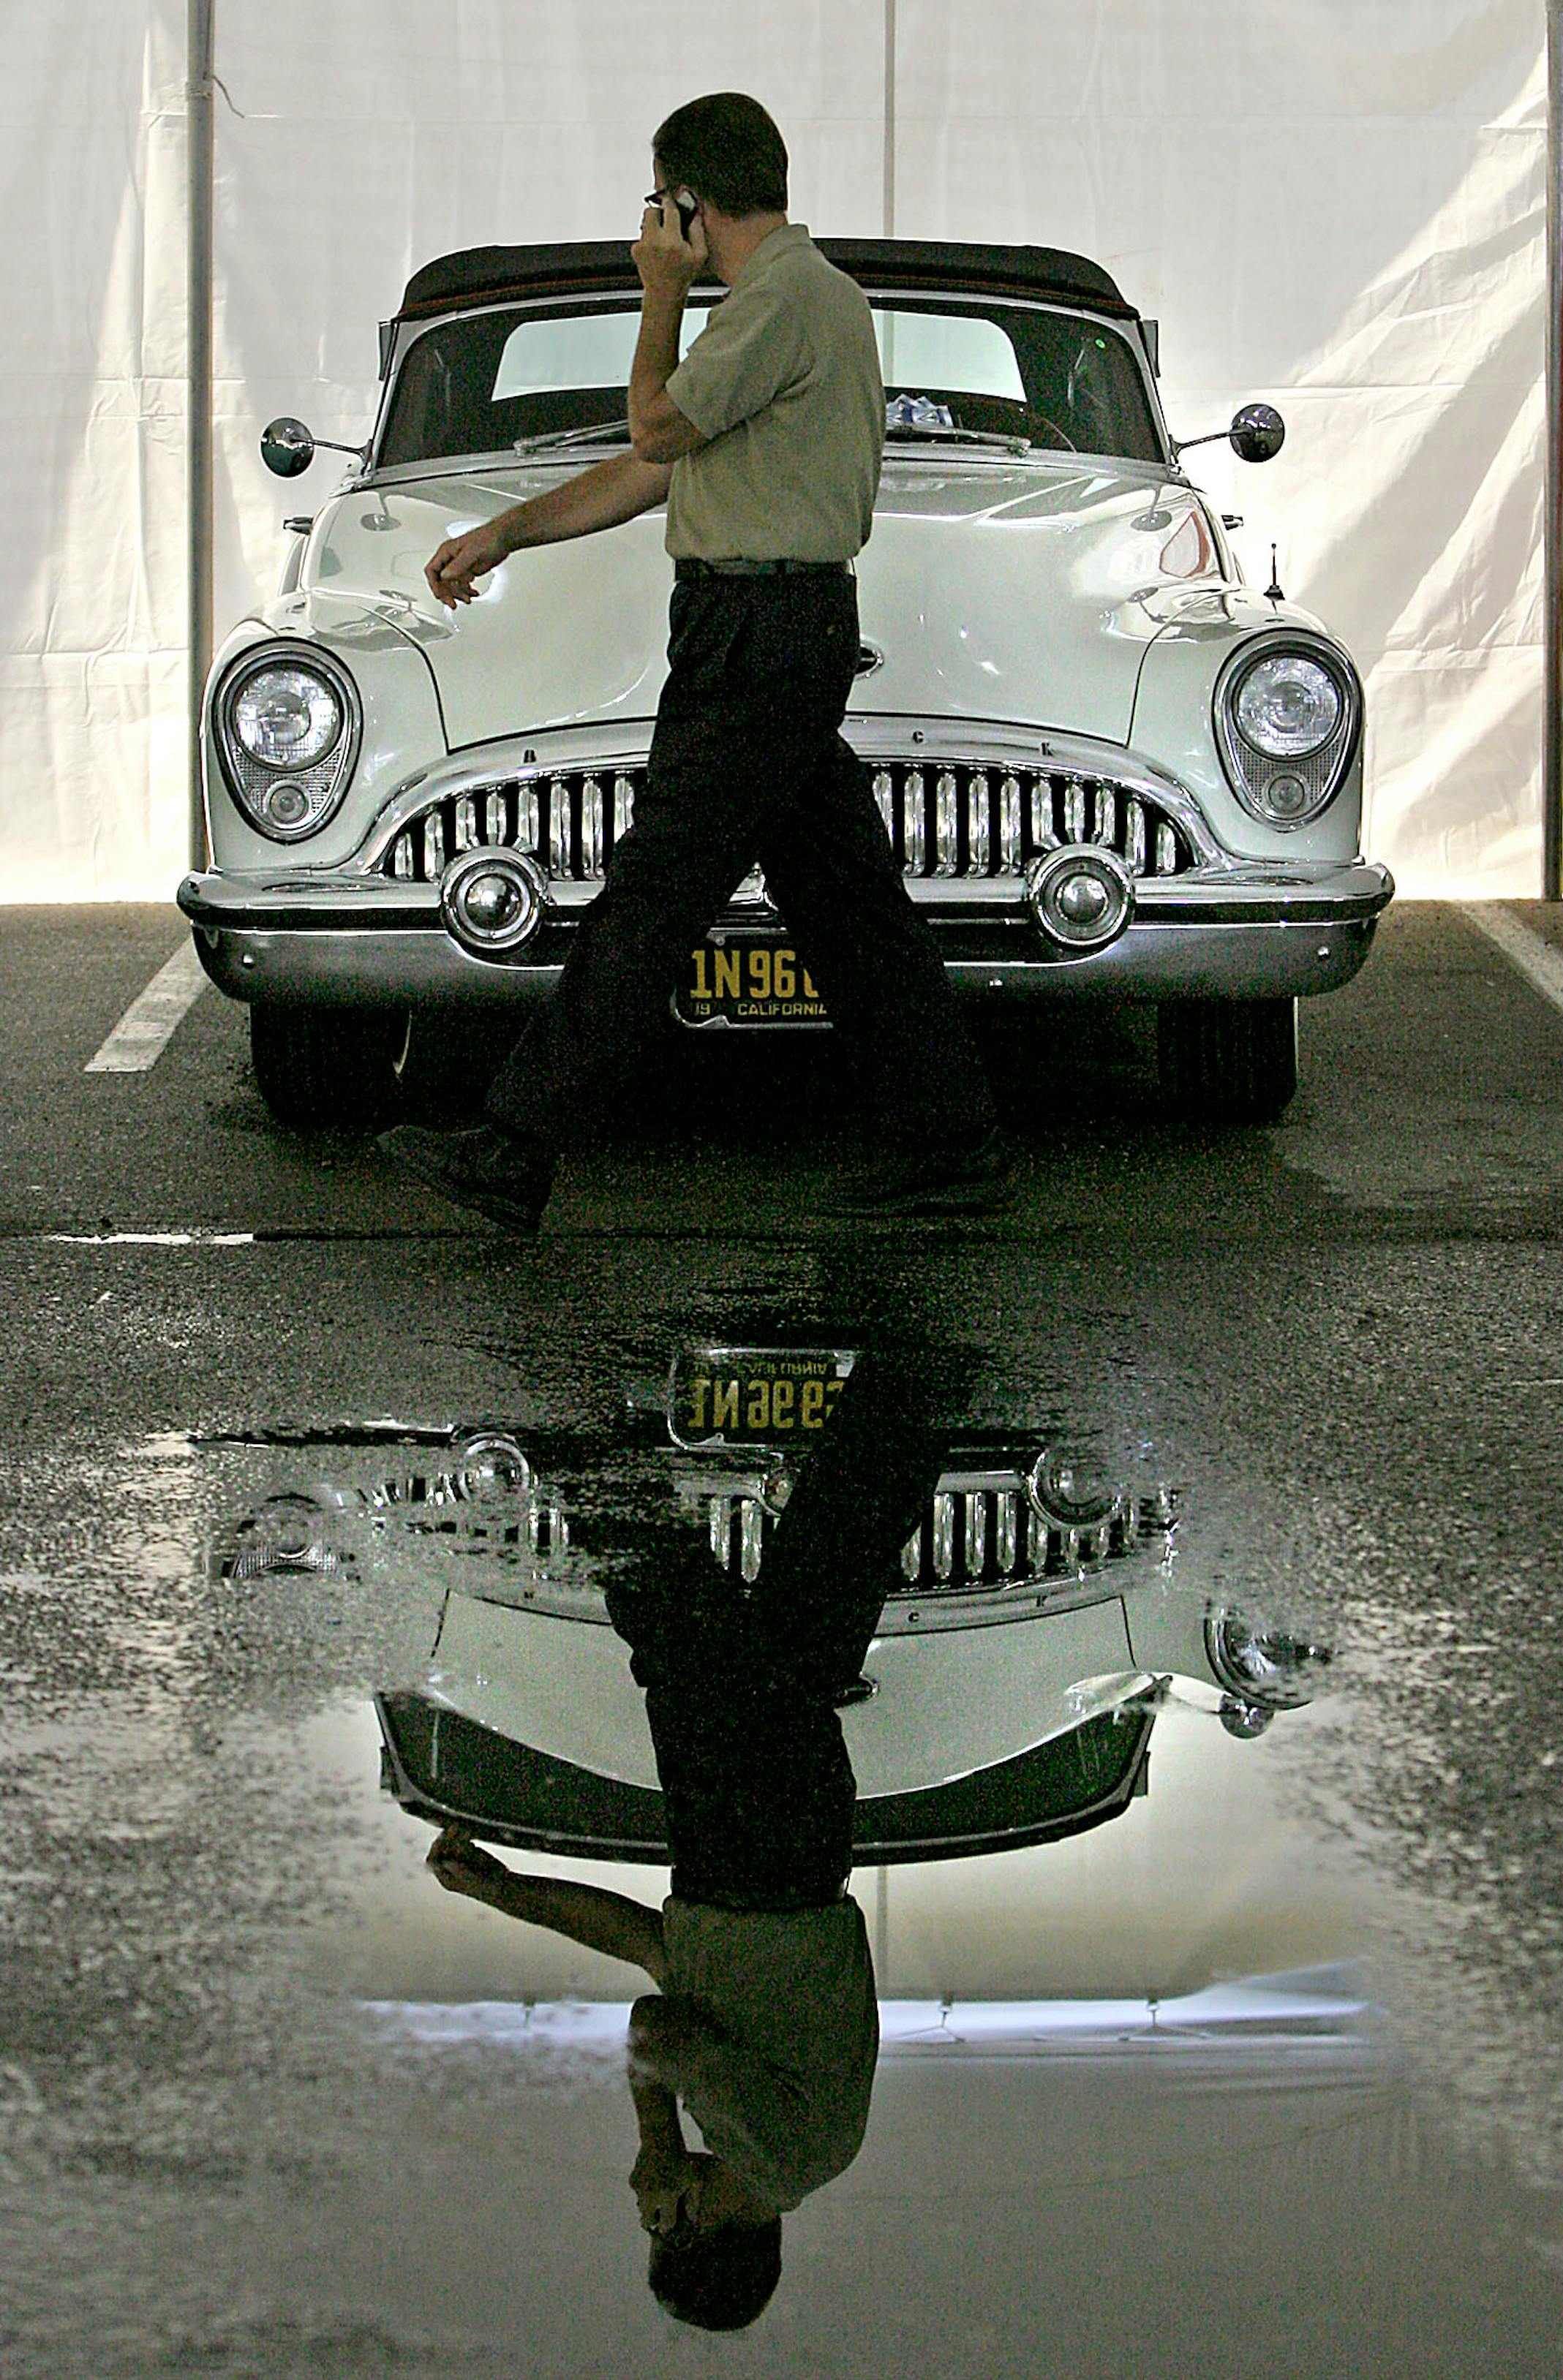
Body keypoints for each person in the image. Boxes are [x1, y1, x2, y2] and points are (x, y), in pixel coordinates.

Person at [380, 90, 1009, 1232]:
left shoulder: (778, 300)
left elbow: (656, 429)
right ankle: (948, 1140)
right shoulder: (793, 304)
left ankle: (516, 1147)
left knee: (653, 897)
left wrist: (658, 294)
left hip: (758, 635)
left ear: (686, 198)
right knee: (850, 902)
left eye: (659, 205)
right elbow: (653, 473)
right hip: (771, 630)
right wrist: (507, 530)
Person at [424, 1332, 971, 2328]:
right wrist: (653, 2140)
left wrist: (505, 1893)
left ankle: (912, 1387)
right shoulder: (775, 2154)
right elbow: (656, 2028)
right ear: (695, 2229)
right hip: (762, 1853)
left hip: (765, 1858)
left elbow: (653, 1951)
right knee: (680, 1624)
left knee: (802, 1607)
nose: (646, 2211)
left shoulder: (766, 2126)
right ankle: (561, 1385)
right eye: (658, 2225)